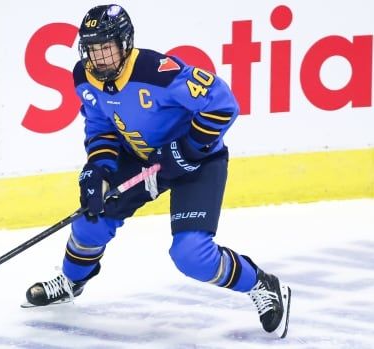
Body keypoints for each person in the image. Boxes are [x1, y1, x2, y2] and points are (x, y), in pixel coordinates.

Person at [24, 4, 292, 338]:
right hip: (141, 160)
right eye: (92, 50)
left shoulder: (157, 71)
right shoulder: (84, 75)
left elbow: (223, 104)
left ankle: (261, 284)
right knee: (90, 221)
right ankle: (72, 282)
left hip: (198, 161)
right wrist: (99, 167)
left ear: (125, 44)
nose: (100, 59)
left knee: (191, 255)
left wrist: (188, 149)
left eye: (106, 48)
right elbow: (100, 125)